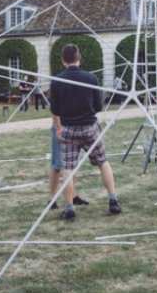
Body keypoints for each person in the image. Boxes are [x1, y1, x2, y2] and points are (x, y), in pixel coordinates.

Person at [50, 44, 121, 220]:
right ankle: (113, 200)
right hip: (90, 128)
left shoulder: (57, 81)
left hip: (68, 131)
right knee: (103, 162)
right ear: (79, 57)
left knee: (68, 168)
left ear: (63, 60)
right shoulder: (91, 78)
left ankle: (69, 208)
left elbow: (55, 110)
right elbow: (98, 106)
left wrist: (60, 127)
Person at [46, 125, 89, 210]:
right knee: (57, 165)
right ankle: (52, 200)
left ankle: (73, 196)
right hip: (61, 128)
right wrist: (58, 129)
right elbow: (55, 113)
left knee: (71, 165)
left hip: (72, 127)